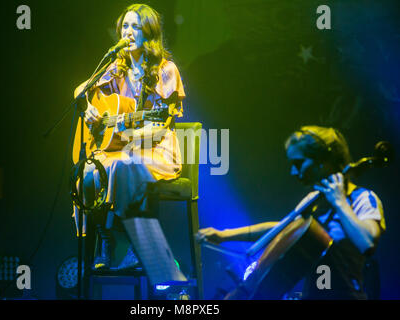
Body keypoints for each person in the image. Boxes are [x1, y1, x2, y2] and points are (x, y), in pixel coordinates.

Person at [197, 125, 385, 299]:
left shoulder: (362, 198)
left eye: (299, 163)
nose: (294, 172)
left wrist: (340, 203)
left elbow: (367, 242)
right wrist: (224, 235)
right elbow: (283, 229)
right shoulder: (313, 201)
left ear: (323, 161)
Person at [72, 4, 185, 270]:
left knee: (125, 162)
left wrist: (132, 134)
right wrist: (86, 106)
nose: (129, 32)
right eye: (125, 26)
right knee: (89, 168)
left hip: (156, 147)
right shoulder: (115, 68)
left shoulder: (165, 70)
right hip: (121, 147)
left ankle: (135, 245)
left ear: (149, 33)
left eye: (135, 27)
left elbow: (162, 124)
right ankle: (104, 239)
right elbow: (79, 90)